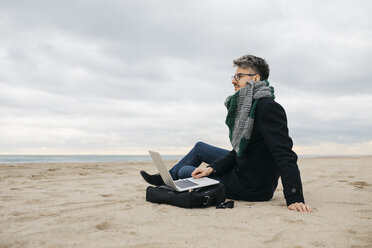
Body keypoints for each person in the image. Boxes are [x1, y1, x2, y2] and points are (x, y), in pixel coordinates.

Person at [141, 54, 311, 213]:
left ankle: (171, 179)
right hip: (244, 166)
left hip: (252, 186)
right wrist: (212, 168)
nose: (233, 81)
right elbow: (239, 150)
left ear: (256, 79)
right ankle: (166, 179)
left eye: (239, 76)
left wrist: (294, 196)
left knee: (186, 171)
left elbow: (284, 153)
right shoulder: (250, 106)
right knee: (200, 147)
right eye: (234, 76)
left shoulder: (268, 108)